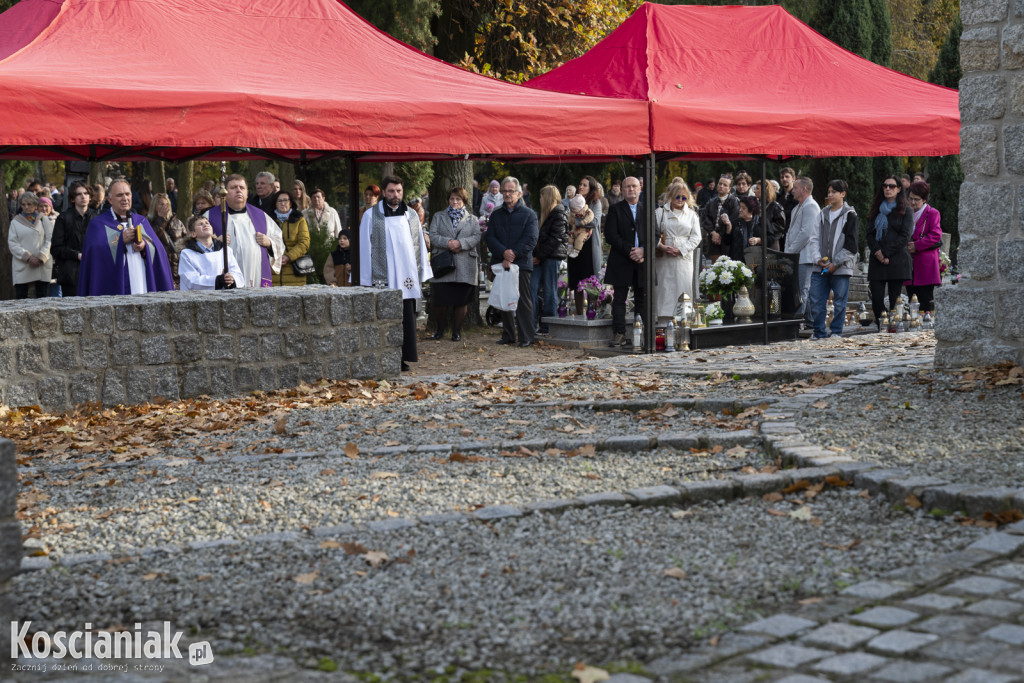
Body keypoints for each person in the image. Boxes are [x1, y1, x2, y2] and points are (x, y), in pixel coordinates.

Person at [358, 174, 432, 371]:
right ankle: (385, 358)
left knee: (406, 317)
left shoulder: (411, 215)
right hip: (384, 277)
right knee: (385, 318)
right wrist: (365, 278)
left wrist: (422, 272)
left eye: (398, 191)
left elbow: (420, 247)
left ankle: (404, 357)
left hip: (406, 275)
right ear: (384, 192)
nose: (395, 195)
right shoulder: (371, 215)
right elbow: (364, 247)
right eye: (391, 191)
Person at [78, 179, 174, 296]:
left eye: (127, 194)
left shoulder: (141, 221)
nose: (125, 198)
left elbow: (158, 249)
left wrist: (144, 246)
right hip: (112, 285)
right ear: (109, 199)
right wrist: (120, 241)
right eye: (119, 195)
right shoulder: (98, 224)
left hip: (141, 280)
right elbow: (94, 254)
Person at [485, 176, 538, 348]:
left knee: (522, 300)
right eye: (504, 191)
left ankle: (526, 336)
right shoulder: (496, 214)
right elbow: (490, 237)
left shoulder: (529, 214)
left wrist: (512, 254)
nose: (507, 194)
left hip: (521, 263)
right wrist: (503, 253)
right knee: (504, 298)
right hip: (501, 262)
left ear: (519, 193)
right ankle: (508, 335)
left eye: (510, 191)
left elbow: (531, 239)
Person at [207, 174, 284, 289]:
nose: (238, 191)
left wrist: (269, 242)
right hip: (226, 278)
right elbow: (197, 245)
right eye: (233, 188)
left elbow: (279, 240)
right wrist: (214, 243)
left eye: (242, 188)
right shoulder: (209, 216)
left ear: (247, 193)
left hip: (256, 276)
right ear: (225, 193)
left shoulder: (261, 216)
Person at [807, 179, 858, 340]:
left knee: (840, 301)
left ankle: (836, 331)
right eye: (828, 192)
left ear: (843, 194)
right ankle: (819, 332)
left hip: (841, 266)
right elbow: (814, 238)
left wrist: (835, 263)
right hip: (821, 265)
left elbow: (852, 245)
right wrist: (817, 258)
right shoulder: (822, 214)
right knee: (815, 299)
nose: (830, 195)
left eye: (834, 192)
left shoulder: (850, 215)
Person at [428, 187, 480, 342]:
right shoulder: (438, 216)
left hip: (464, 263)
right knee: (441, 300)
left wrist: (460, 243)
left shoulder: (473, 219)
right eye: (452, 199)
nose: (455, 202)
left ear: (464, 201)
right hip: (443, 264)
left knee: (461, 300)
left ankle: (456, 331)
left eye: (458, 199)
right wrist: (448, 243)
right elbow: (433, 235)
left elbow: (477, 236)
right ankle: (440, 330)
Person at [604, 176, 646, 348]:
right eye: (627, 186)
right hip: (622, 258)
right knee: (620, 298)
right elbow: (611, 235)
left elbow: (656, 233)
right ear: (622, 190)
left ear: (640, 188)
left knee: (642, 297)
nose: (631, 189)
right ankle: (619, 333)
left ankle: (642, 332)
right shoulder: (615, 209)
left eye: (634, 186)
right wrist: (631, 250)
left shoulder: (648, 209)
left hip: (643, 260)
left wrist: (643, 249)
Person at [867, 175, 914, 328]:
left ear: (899, 189)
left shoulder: (906, 210)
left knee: (895, 299)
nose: (888, 188)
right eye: (885, 186)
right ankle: (882, 326)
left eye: (892, 186)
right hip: (877, 258)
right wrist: (878, 253)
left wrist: (886, 253)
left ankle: (894, 328)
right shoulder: (876, 209)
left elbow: (905, 236)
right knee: (877, 297)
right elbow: (869, 234)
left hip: (897, 259)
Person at [654, 180, 701, 325]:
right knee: (665, 289)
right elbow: (652, 233)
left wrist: (681, 249)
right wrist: (661, 246)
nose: (680, 200)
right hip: (664, 257)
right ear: (671, 196)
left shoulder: (692, 215)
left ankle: (684, 319)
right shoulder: (660, 212)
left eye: (684, 197)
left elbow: (696, 236)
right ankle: (663, 320)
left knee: (683, 287)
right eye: (677, 197)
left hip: (683, 257)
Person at [530, 185, 569, 335]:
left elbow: (555, 239)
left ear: (546, 197)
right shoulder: (547, 214)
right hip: (541, 256)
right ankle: (531, 323)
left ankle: (548, 325)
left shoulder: (559, 213)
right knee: (532, 287)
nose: (539, 199)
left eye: (541, 196)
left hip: (551, 257)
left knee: (550, 290)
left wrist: (539, 256)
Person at [783, 176, 821, 329]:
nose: (792, 191)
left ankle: (796, 323)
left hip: (805, 256)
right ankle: (812, 323)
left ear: (804, 189)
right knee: (802, 290)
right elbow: (791, 232)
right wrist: (787, 251)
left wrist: (790, 252)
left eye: (795, 188)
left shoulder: (811, 206)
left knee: (801, 291)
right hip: (796, 255)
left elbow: (807, 233)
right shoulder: (797, 207)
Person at [50, 181, 95, 297]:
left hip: (94, 271)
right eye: (79, 194)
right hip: (70, 275)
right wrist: (77, 255)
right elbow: (56, 249)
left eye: (86, 193)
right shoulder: (63, 218)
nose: (83, 196)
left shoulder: (97, 218)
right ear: (72, 198)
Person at [904, 181, 942, 314]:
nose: (913, 202)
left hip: (925, 265)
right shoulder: (905, 213)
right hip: (910, 264)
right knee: (912, 301)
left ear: (924, 199)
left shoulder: (932, 213)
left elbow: (935, 235)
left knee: (925, 302)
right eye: (910, 199)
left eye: (917, 199)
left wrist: (917, 245)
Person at [178, 215, 243, 291]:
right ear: (193, 234)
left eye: (207, 223)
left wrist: (231, 279)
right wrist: (217, 280)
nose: (205, 225)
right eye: (200, 224)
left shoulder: (225, 250)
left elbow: (237, 274)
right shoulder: (187, 254)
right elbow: (191, 280)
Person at [8, 192, 53, 299]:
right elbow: (12, 243)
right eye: (23, 204)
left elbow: (50, 239)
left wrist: (41, 256)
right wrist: (28, 257)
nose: (26, 207)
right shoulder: (15, 222)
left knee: (42, 299)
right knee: (21, 300)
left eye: (29, 204)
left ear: (35, 205)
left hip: (41, 264)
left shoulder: (43, 219)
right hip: (23, 265)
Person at [566, 194, 598, 315]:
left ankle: (591, 310)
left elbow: (593, 223)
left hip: (587, 245)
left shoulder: (594, 205)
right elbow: (570, 221)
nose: (581, 187)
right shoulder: (574, 205)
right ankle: (579, 311)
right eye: (580, 184)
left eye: (585, 185)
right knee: (576, 280)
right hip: (574, 243)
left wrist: (579, 221)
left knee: (589, 280)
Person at [270, 191, 311, 287]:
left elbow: (304, 243)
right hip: (273, 270)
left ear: (291, 203)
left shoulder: (299, 220)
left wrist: (288, 257)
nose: (282, 203)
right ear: (275, 203)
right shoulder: (268, 219)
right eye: (279, 201)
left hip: (295, 270)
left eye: (285, 200)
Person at [701, 175, 740, 260]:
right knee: (714, 267)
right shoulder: (711, 201)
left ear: (729, 188)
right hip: (713, 238)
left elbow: (734, 220)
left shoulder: (734, 202)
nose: (721, 186)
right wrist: (713, 233)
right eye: (720, 183)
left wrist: (720, 235)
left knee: (727, 266)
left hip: (728, 239)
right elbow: (705, 217)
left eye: (725, 185)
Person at [721, 196, 766, 262]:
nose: (740, 210)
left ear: (751, 209)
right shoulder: (735, 222)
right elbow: (726, 242)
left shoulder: (761, 221)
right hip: (737, 260)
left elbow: (771, 238)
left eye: (743, 208)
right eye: (740, 207)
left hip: (757, 260)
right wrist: (729, 227)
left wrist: (758, 240)